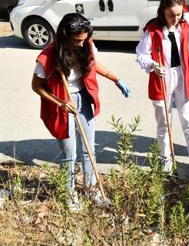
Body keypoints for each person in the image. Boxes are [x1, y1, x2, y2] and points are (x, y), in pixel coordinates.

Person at [31, 13, 131, 211]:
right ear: (65, 36)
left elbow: (93, 64)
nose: (81, 44)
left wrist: (116, 79)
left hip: (83, 99)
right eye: (77, 40)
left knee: (89, 149)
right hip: (62, 103)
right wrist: (60, 102)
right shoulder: (48, 56)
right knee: (69, 155)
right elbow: (36, 86)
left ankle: (90, 188)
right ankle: (68, 195)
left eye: (84, 39)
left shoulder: (86, 45)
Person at [136, 0, 189, 179]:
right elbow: (141, 54)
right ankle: (165, 156)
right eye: (171, 15)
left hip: (183, 76)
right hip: (163, 76)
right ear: (162, 13)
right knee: (164, 121)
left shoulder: (186, 28)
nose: (175, 19)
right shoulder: (153, 31)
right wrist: (152, 65)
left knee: (188, 120)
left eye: (178, 14)